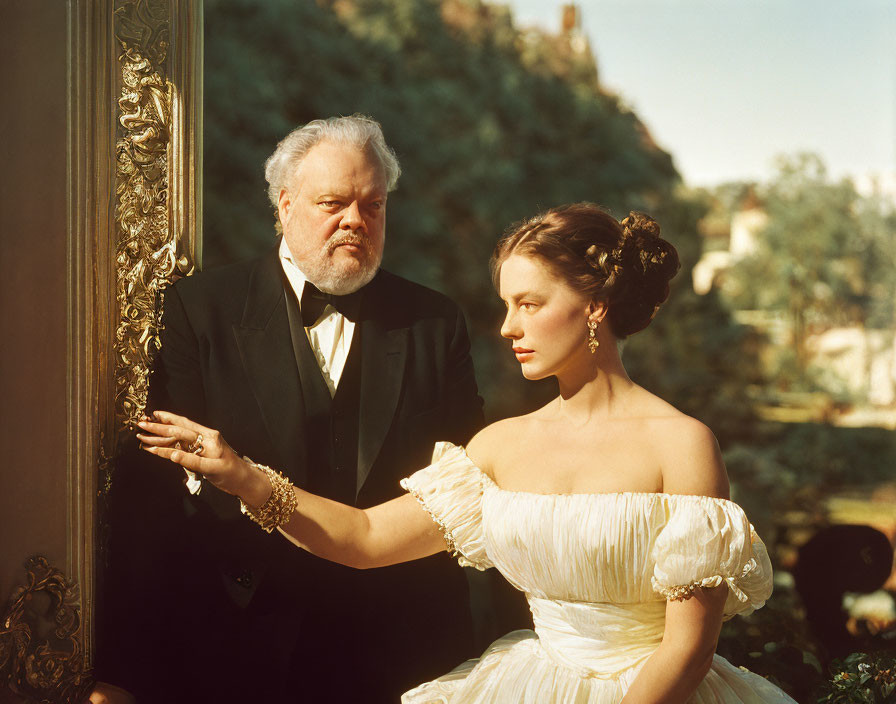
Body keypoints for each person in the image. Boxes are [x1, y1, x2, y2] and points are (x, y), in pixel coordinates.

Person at [137, 204, 798, 703]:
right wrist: (243, 475)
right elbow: (366, 539)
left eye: (530, 303)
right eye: (506, 304)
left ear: (595, 306)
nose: (508, 326)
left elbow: (687, 648)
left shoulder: (681, 444)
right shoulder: (501, 446)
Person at [100, 115, 485, 703]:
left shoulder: (436, 323)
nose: (356, 220)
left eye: (373, 206)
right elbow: (150, 494)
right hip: (232, 643)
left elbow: (469, 490)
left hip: (404, 651)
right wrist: (121, 668)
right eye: (334, 202)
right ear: (284, 204)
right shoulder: (198, 310)